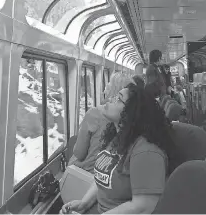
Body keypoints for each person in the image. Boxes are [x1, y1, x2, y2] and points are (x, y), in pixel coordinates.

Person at [61, 83, 174, 214]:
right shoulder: (117, 139)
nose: (110, 100)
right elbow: (104, 179)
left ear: (132, 112)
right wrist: (84, 204)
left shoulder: (147, 151)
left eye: (118, 99)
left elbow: (143, 207)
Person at [69, 73, 134, 173]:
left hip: (87, 173)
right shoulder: (132, 121)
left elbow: (79, 153)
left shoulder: (94, 114)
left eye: (108, 85)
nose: (104, 90)